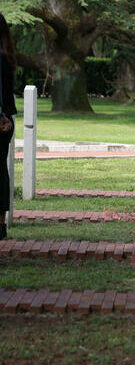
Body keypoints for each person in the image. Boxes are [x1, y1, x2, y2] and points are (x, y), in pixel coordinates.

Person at [0, 13, 16, 240]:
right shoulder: (8, 56)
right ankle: (1, 223)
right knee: (1, 170)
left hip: (1, 119)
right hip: (7, 120)